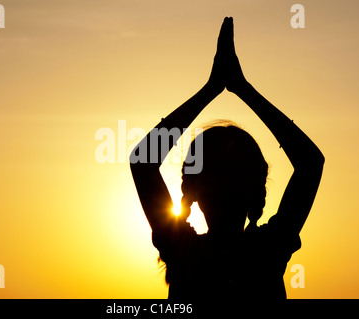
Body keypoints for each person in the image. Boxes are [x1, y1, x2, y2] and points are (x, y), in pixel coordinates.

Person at [129, 17, 324, 301]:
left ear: (194, 190)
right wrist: (241, 88)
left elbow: (143, 161)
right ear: (258, 192)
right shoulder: (267, 251)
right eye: (223, 174)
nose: (225, 185)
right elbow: (310, 163)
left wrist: (211, 89)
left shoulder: (183, 250)